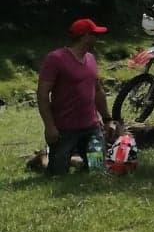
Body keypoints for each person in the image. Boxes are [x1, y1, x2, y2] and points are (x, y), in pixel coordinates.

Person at [38, 19, 117, 176]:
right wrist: (50, 126)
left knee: (97, 170)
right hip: (65, 130)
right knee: (57, 174)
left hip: (91, 128)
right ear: (85, 36)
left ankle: (78, 161)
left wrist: (108, 119)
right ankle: (42, 158)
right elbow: (42, 94)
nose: (97, 38)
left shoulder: (91, 59)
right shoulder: (56, 59)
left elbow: (98, 91)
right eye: (95, 35)